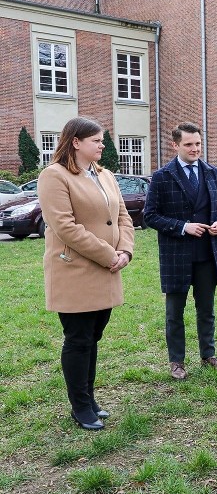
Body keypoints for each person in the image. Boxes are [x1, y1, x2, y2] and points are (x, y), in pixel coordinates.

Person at [39, 117, 135, 430]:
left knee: (94, 336)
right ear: (76, 142)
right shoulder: (54, 176)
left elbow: (123, 216)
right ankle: (80, 406)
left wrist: (125, 251)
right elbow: (65, 226)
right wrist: (109, 255)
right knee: (78, 339)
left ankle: (89, 398)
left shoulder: (105, 174)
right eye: (96, 140)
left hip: (108, 268)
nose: (102, 145)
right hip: (76, 271)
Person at [144, 122, 217, 380]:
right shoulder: (161, 176)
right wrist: (183, 227)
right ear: (176, 145)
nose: (195, 149)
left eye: (198, 144)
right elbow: (150, 216)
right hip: (176, 257)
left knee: (206, 310)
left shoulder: (213, 173)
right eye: (189, 145)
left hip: (207, 254)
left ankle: (208, 356)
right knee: (175, 313)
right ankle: (177, 362)